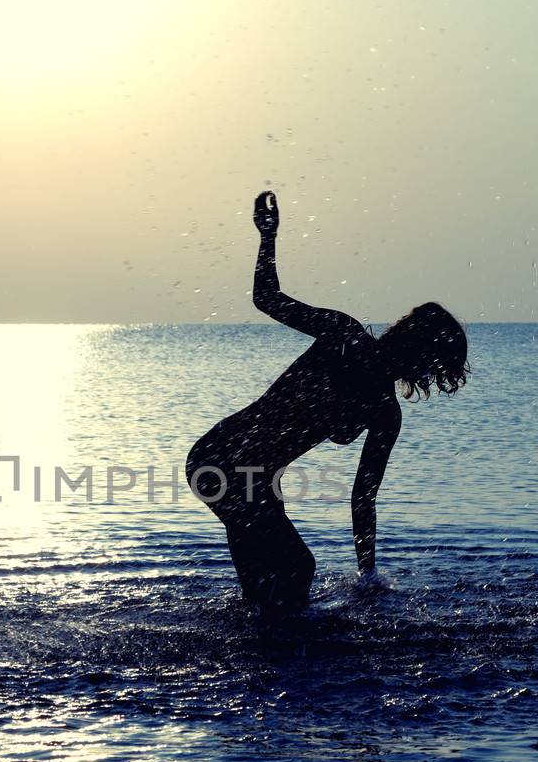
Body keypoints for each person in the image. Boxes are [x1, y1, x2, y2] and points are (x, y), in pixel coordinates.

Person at [186, 191, 469, 613]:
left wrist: (367, 574)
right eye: (432, 362)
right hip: (222, 457)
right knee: (296, 567)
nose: (427, 374)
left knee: (269, 594)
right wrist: (268, 236)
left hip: (256, 478)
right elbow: (267, 299)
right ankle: (275, 658)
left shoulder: (385, 412)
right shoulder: (343, 335)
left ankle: (256, 660)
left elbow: (362, 497)